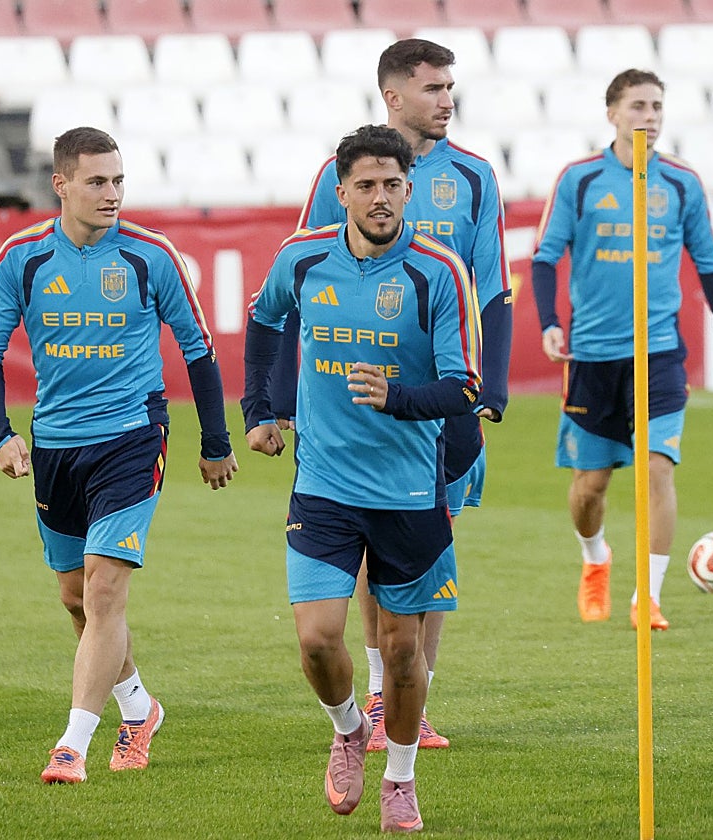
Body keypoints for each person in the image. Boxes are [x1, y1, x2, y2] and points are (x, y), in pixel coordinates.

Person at [0, 126, 238, 784]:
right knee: (75, 599)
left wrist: (214, 442)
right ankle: (139, 707)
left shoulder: (152, 256)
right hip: (57, 444)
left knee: (104, 588)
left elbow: (197, 351)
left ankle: (73, 744)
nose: (112, 193)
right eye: (97, 181)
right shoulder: (22, 258)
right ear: (61, 186)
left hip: (132, 436)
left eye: (118, 180)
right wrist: (1, 435)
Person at [242, 124, 482, 833]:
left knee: (404, 650)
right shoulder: (302, 259)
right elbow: (261, 324)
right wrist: (262, 410)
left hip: (409, 489)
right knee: (318, 641)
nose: (381, 198)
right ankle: (348, 729)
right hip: (322, 482)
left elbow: (463, 388)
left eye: (393, 185)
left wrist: (397, 397)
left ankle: (400, 780)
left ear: (410, 189)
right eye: (367, 185)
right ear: (340, 192)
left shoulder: (437, 272)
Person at [278, 37, 512, 751]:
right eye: (434, 88)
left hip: (442, 403)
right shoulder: (340, 173)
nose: (447, 100)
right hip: (354, 402)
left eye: (450, 88)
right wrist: (279, 404)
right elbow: (299, 290)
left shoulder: (473, 176)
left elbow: (493, 288)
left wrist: (490, 389)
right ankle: (377, 703)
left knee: (421, 555)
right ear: (394, 95)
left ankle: (409, 699)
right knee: (368, 552)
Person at [531, 69, 713, 632]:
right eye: (638, 106)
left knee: (656, 469)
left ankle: (646, 598)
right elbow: (543, 256)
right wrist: (552, 323)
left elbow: (711, 265)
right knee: (590, 488)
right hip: (593, 357)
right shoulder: (580, 179)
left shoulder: (681, 183)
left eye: (656, 107)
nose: (649, 117)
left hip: (659, 354)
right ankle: (595, 558)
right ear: (612, 113)